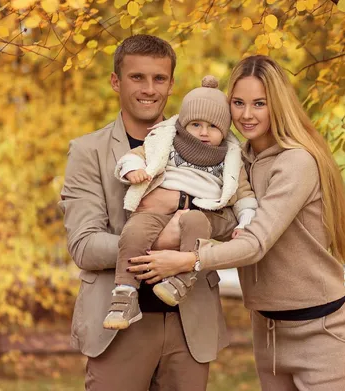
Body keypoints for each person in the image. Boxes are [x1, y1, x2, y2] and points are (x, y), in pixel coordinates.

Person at [129, 55, 345, 391]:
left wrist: (189, 259)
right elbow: (229, 222)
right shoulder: (239, 159)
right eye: (238, 103)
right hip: (267, 328)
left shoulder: (296, 162)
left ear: (277, 105)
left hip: (320, 329)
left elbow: (255, 242)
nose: (246, 114)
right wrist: (183, 204)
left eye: (259, 103)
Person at [59, 35, 234, 391]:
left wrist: (181, 208)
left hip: (190, 322)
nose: (149, 89)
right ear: (116, 81)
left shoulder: (207, 141)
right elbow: (84, 245)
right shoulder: (87, 151)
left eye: (159, 79)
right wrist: (161, 243)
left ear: (171, 84)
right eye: (137, 77)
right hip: (117, 325)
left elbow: (229, 217)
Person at [103, 75, 257, 330]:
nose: (203, 132)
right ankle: (125, 293)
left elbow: (244, 195)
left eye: (212, 127)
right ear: (185, 125)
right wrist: (134, 170)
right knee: (135, 231)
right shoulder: (166, 141)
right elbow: (134, 156)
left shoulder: (230, 158)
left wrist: (246, 221)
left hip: (201, 210)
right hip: (154, 208)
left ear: (225, 129)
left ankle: (182, 279)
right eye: (196, 124)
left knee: (195, 222)